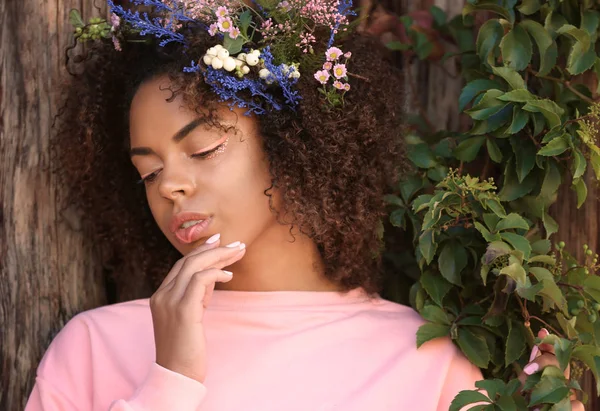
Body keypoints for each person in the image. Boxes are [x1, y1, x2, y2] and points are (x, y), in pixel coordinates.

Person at [24, 1, 583, 410]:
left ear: (294, 139)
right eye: (147, 171)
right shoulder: (95, 349)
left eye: (203, 148)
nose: (169, 185)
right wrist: (168, 384)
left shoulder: (427, 360)